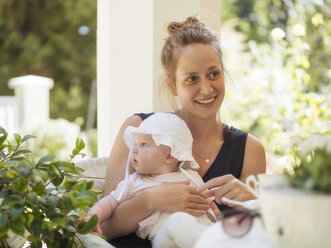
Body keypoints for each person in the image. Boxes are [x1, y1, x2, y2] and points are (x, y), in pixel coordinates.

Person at [102, 16, 266, 247]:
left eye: (213, 74)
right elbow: (105, 227)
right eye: (192, 79)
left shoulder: (250, 150)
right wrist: (152, 200)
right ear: (172, 85)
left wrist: (255, 203)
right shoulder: (139, 130)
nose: (207, 88)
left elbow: (257, 237)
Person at [82, 112, 218, 248]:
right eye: (135, 143)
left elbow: (209, 203)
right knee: (179, 222)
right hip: (166, 234)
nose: (134, 150)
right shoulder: (134, 181)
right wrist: (93, 217)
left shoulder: (190, 176)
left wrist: (220, 222)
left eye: (143, 144)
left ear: (169, 156)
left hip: (203, 229)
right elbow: (108, 203)